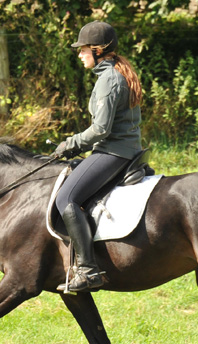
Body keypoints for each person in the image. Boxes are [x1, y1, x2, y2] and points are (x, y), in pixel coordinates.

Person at [54, 20, 143, 293]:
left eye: (83, 49)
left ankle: (88, 270)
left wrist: (71, 143)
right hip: (120, 149)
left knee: (66, 199)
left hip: (113, 152)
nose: (79, 54)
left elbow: (100, 129)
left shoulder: (110, 79)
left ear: (98, 50)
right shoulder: (115, 72)